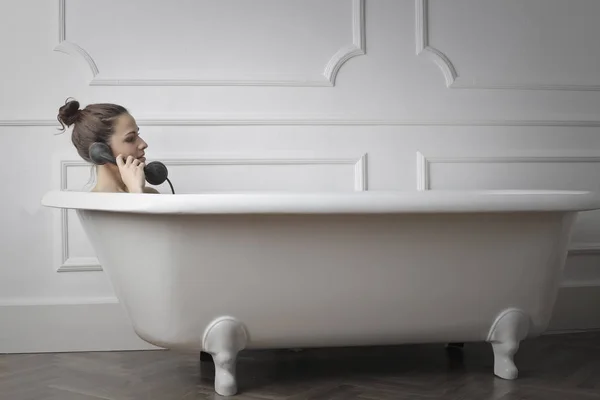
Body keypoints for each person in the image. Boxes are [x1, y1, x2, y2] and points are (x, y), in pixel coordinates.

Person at [57, 98, 159, 194]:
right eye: (130, 139)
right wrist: (136, 192)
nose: (144, 144)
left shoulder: (151, 194)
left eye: (138, 135)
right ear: (100, 152)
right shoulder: (92, 206)